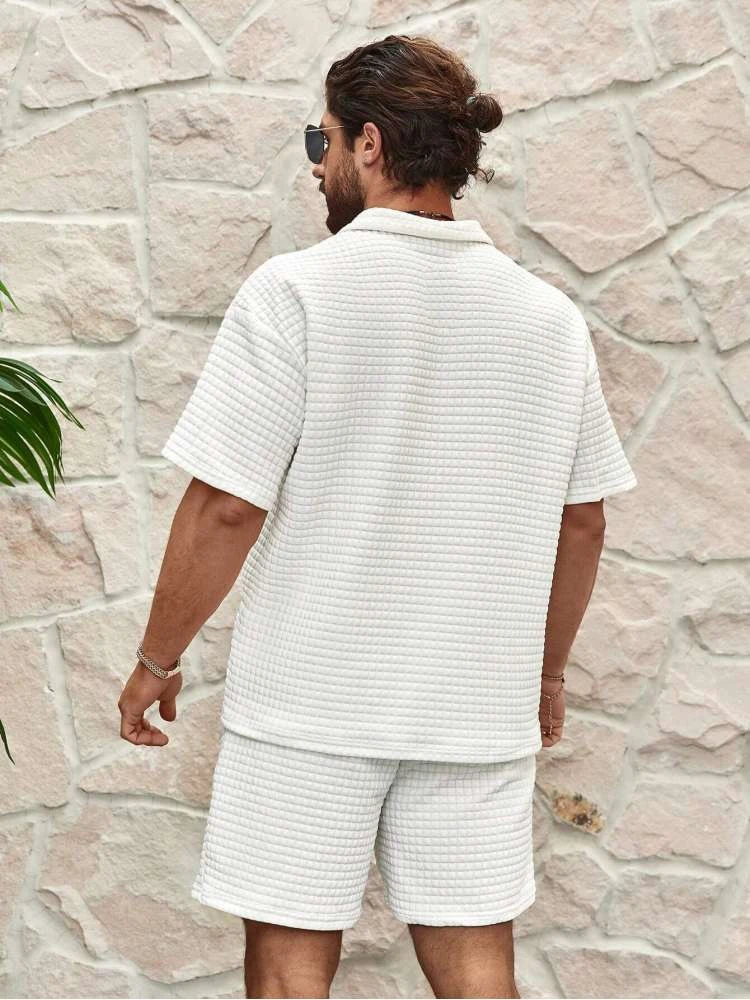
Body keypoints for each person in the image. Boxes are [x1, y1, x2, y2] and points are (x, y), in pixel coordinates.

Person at [117, 34, 637, 1000]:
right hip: (475, 707)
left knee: (289, 970)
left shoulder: (296, 292)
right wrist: (546, 674)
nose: (315, 164)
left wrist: (157, 657)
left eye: (320, 141)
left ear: (368, 143)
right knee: (478, 965)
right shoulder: (547, 320)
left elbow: (226, 505)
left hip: (310, 706)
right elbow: (583, 524)